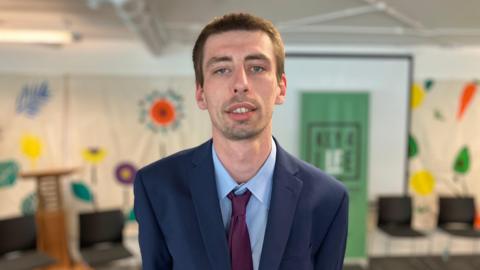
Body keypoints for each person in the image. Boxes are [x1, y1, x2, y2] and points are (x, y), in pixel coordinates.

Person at [134, 13, 348, 270]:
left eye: (256, 68)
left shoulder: (328, 199)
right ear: (200, 93)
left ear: (281, 87)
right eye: (222, 69)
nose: (240, 84)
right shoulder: (157, 186)